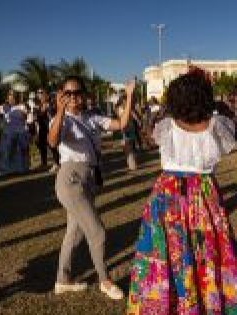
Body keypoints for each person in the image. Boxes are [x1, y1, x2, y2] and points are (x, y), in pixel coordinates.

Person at [127, 70, 237, 314]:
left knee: (168, 254)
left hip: (168, 196)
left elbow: (150, 138)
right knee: (207, 252)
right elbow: (226, 145)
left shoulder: (165, 127)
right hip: (204, 195)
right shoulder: (218, 126)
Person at [48, 76, 135, 300]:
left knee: (74, 234)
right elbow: (52, 141)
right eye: (68, 93)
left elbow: (121, 124)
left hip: (88, 178)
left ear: (84, 95)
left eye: (77, 93)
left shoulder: (91, 118)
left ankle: (62, 279)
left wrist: (130, 94)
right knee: (97, 232)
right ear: (62, 96)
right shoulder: (62, 120)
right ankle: (104, 280)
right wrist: (59, 111)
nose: (74, 98)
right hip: (70, 178)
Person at [0, 90, 30, 175]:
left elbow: (25, 116)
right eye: (10, 96)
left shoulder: (22, 106)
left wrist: (21, 112)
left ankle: (22, 169)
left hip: (20, 133)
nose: (11, 99)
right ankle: (6, 170)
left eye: (13, 97)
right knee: (6, 151)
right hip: (8, 133)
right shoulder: (5, 107)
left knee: (20, 152)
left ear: (16, 98)